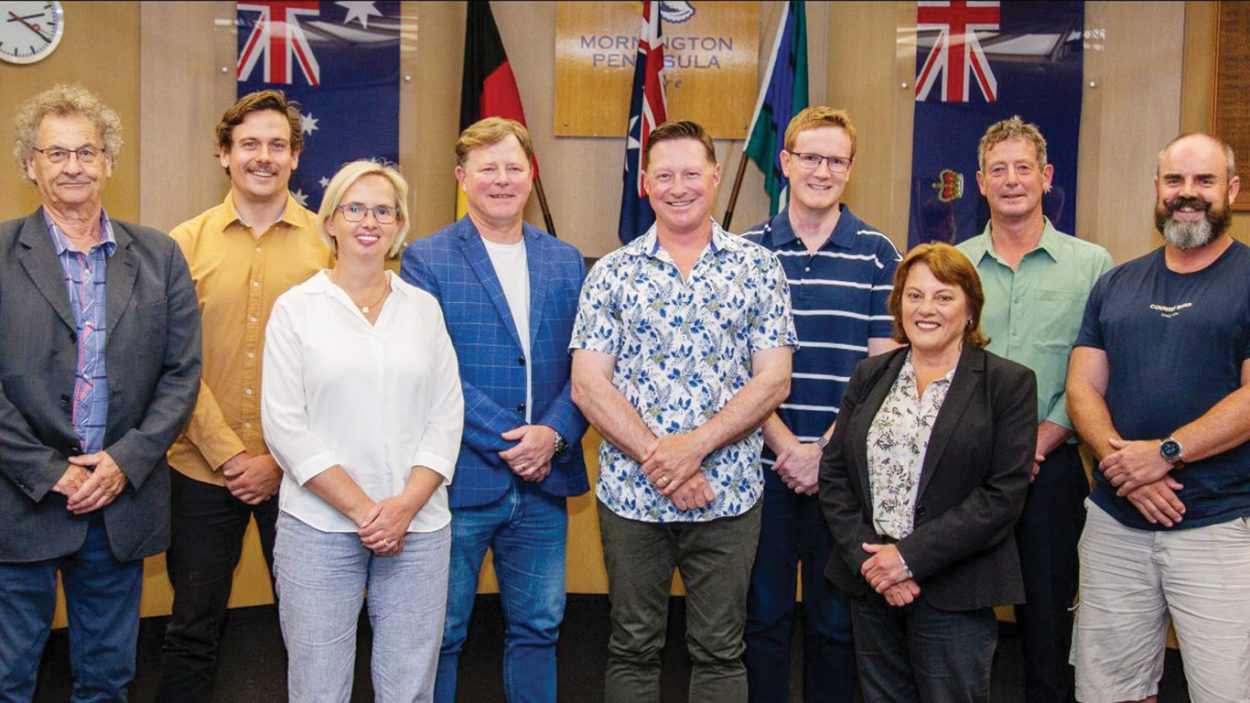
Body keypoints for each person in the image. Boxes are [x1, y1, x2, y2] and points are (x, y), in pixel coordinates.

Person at [571, 119, 796, 702]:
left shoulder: (758, 268)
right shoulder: (610, 273)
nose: (679, 187)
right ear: (644, 182)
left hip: (728, 498)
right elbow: (588, 386)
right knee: (632, 646)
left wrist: (693, 449)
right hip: (631, 497)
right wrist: (661, 458)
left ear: (715, 177)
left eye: (691, 173)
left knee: (721, 650)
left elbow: (773, 380)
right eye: (664, 175)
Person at [0, 84, 201, 701]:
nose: (73, 167)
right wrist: (46, 470)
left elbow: (182, 371)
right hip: (19, 502)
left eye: (87, 152)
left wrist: (126, 461)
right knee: (9, 676)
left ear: (109, 162)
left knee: (108, 678)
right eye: (55, 154)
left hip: (119, 503)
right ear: (30, 164)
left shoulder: (160, 254)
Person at [400, 117, 588, 703]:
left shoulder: (567, 261)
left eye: (513, 167)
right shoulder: (424, 260)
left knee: (539, 627)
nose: (501, 180)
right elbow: (432, 372)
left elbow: (588, 368)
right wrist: (518, 442)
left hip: (544, 484)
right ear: (463, 178)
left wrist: (553, 435)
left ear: (531, 174)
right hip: (459, 478)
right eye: (487, 169)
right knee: (444, 632)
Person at [261, 160, 463, 702]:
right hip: (318, 527)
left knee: (408, 688)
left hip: (418, 528)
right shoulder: (296, 309)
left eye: (383, 211)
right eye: (355, 208)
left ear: (399, 226)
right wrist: (362, 510)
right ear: (331, 221)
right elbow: (284, 426)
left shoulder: (423, 310)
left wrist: (401, 509)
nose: (368, 221)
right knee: (318, 688)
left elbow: (446, 418)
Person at [158, 89, 331, 702]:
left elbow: (340, 368)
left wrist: (279, 458)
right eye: (249, 144)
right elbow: (174, 362)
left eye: (277, 145)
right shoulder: (180, 244)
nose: (264, 156)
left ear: (295, 156)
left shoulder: (330, 246)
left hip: (304, 475)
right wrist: (232, 455)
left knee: (313, 631)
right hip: (202, 471)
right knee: (191, 628)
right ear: (224, 155)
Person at [1066, 133, 1250, 703]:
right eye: (1174, 181)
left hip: (1218, 527)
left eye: (1203, 181)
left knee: (1223, 691)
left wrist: (1163, 454)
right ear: (1156, 189)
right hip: (1116, 525)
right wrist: (1126, 469)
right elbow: (1081, 387)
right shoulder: (1116, 283)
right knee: (1108, 690)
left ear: (1232, 190)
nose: (1186, 194)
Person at [819, 242, 1036, 702]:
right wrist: (873, 564)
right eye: (914, 295)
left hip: (954, 590)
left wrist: (908, 558)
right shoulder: (870, 374)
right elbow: (836, 476)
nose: (926, 309)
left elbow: (1002, 496)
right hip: (872, 585)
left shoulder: (1008, 384)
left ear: (971, 309)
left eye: (943, 296)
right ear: (898, 304)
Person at [741, 106, 901, 703]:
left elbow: (882, 373)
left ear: (850, 169)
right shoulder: (745, 252)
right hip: (760, 472)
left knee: (837, 626)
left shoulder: (879, 254)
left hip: (843, 478)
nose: (822, 169)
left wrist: (822, 453)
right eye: (810, 156)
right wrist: (786, 447)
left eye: (835, 159)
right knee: (763, 620)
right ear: (785, 162)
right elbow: (735, 372)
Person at [955, 115, 1111, 703]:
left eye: (1024, 168)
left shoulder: (1092, 265)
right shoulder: (954, 265)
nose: (1011, 180)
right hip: (966, 471)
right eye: (999, 170)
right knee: (959, 618)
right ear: (980, 182)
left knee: (1048, 619)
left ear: (1046, 177)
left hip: (1054, 471)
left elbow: (1096, 369)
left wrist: (1039, 442)